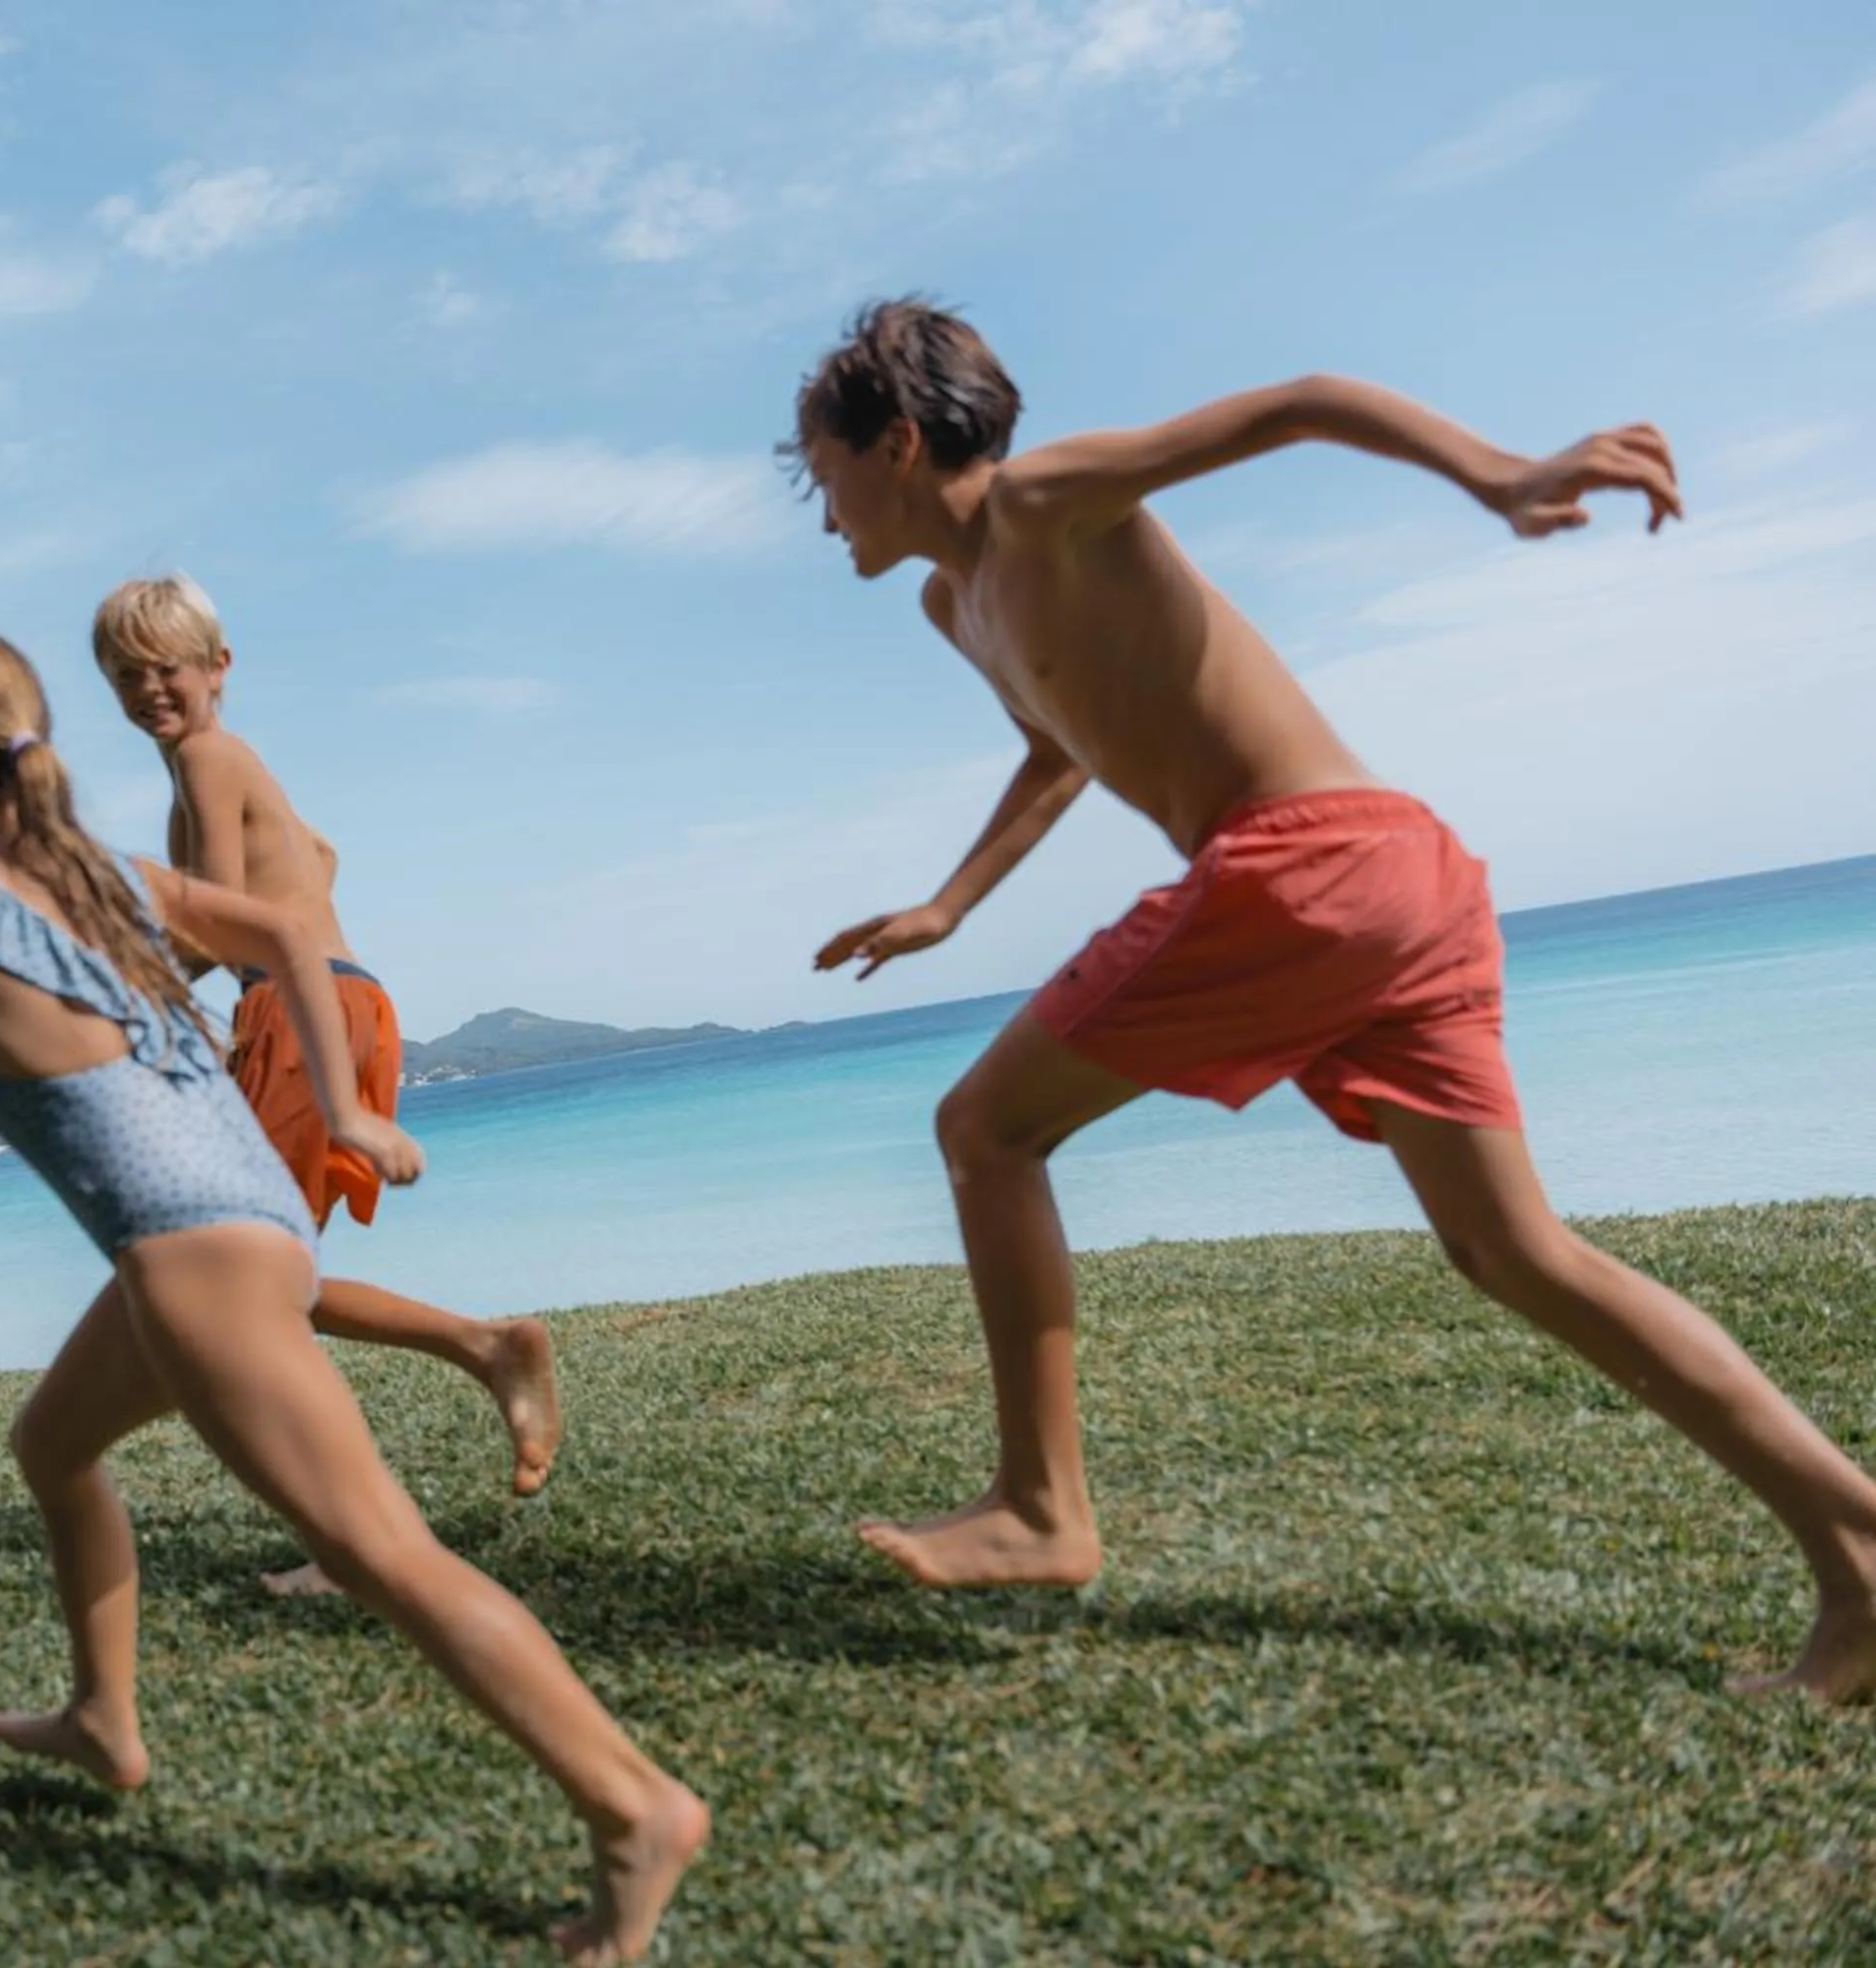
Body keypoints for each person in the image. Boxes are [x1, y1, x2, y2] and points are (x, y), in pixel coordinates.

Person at [789, 296, 1876, 1701]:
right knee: (1519, 1254)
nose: (824, 522)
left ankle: (1042, 1508)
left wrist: (1504, 474)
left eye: (823, 479)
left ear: (893, 441)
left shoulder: (1044, 501)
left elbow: (1299, 401)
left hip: (1305, 869)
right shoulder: (957, 604)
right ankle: (1860, 1557)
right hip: (1398, 879)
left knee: (986, 1132)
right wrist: (951, 902)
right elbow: (1057, 751)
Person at [0, 626, 707, 1958]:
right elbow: (283, 927)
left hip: (190, 1260)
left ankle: (636, 1809)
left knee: (383, 1556)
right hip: (251, 1227)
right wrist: (342, 1109)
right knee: (51, 1444)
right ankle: (105, 1721)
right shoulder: (105, 881)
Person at [92, 573, 562, 1598]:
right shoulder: (219, 765)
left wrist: (103, 985)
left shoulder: (209, 758)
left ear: (219, 667)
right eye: (124, 674)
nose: (147, 688)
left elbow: (214, 911)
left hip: (304, 1015)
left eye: (165, 667)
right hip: (323, 1007)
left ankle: (373, 1514)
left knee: (247, 1286)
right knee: (267, 1282)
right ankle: (481, 1350)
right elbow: (316, 860)